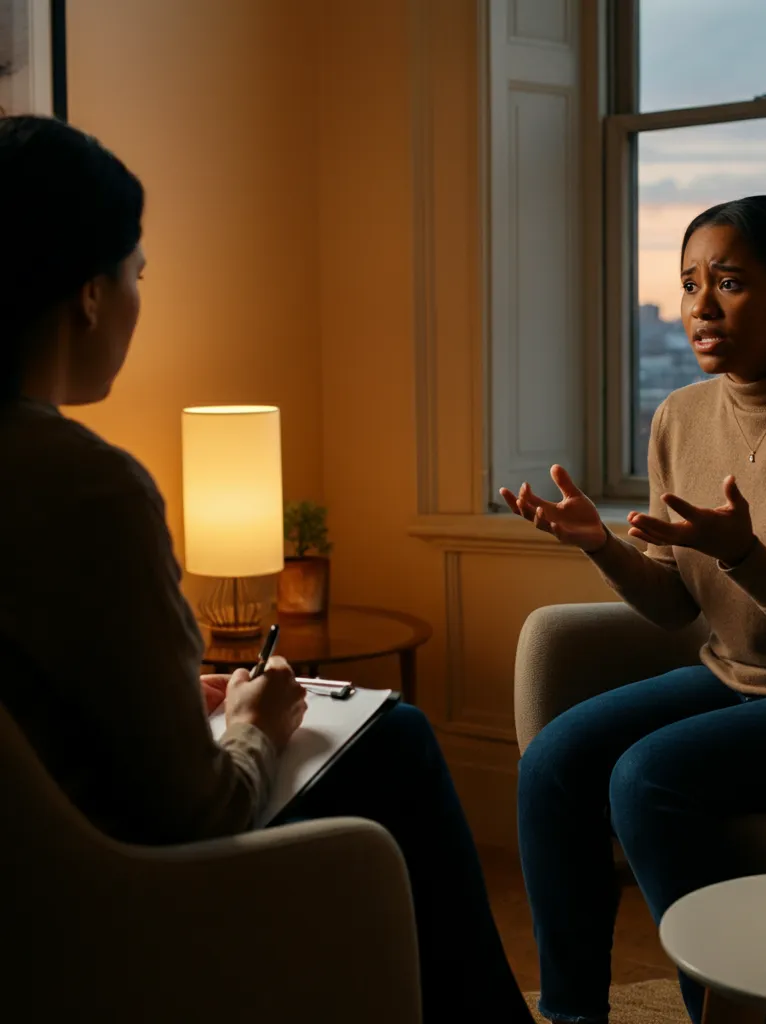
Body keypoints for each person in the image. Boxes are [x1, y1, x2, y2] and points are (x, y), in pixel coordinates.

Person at [0, 115, 533, 1024]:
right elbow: (195, 813)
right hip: (104, 900)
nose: (138, 301)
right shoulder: (88, 490)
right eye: (138, 276)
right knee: (393, 738)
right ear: (88, 294)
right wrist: (252, 724)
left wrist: (170, 699)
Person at [501, 195, 766, 1024]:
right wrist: (602, 545)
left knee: (647, 777)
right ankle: (573, 1012)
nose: (700, 306)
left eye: (728, 282)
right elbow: (672, 608)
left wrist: (746, 556)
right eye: (689, 282)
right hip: (736, 677)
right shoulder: (681, 416)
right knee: (553, 762)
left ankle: (729, 1010)